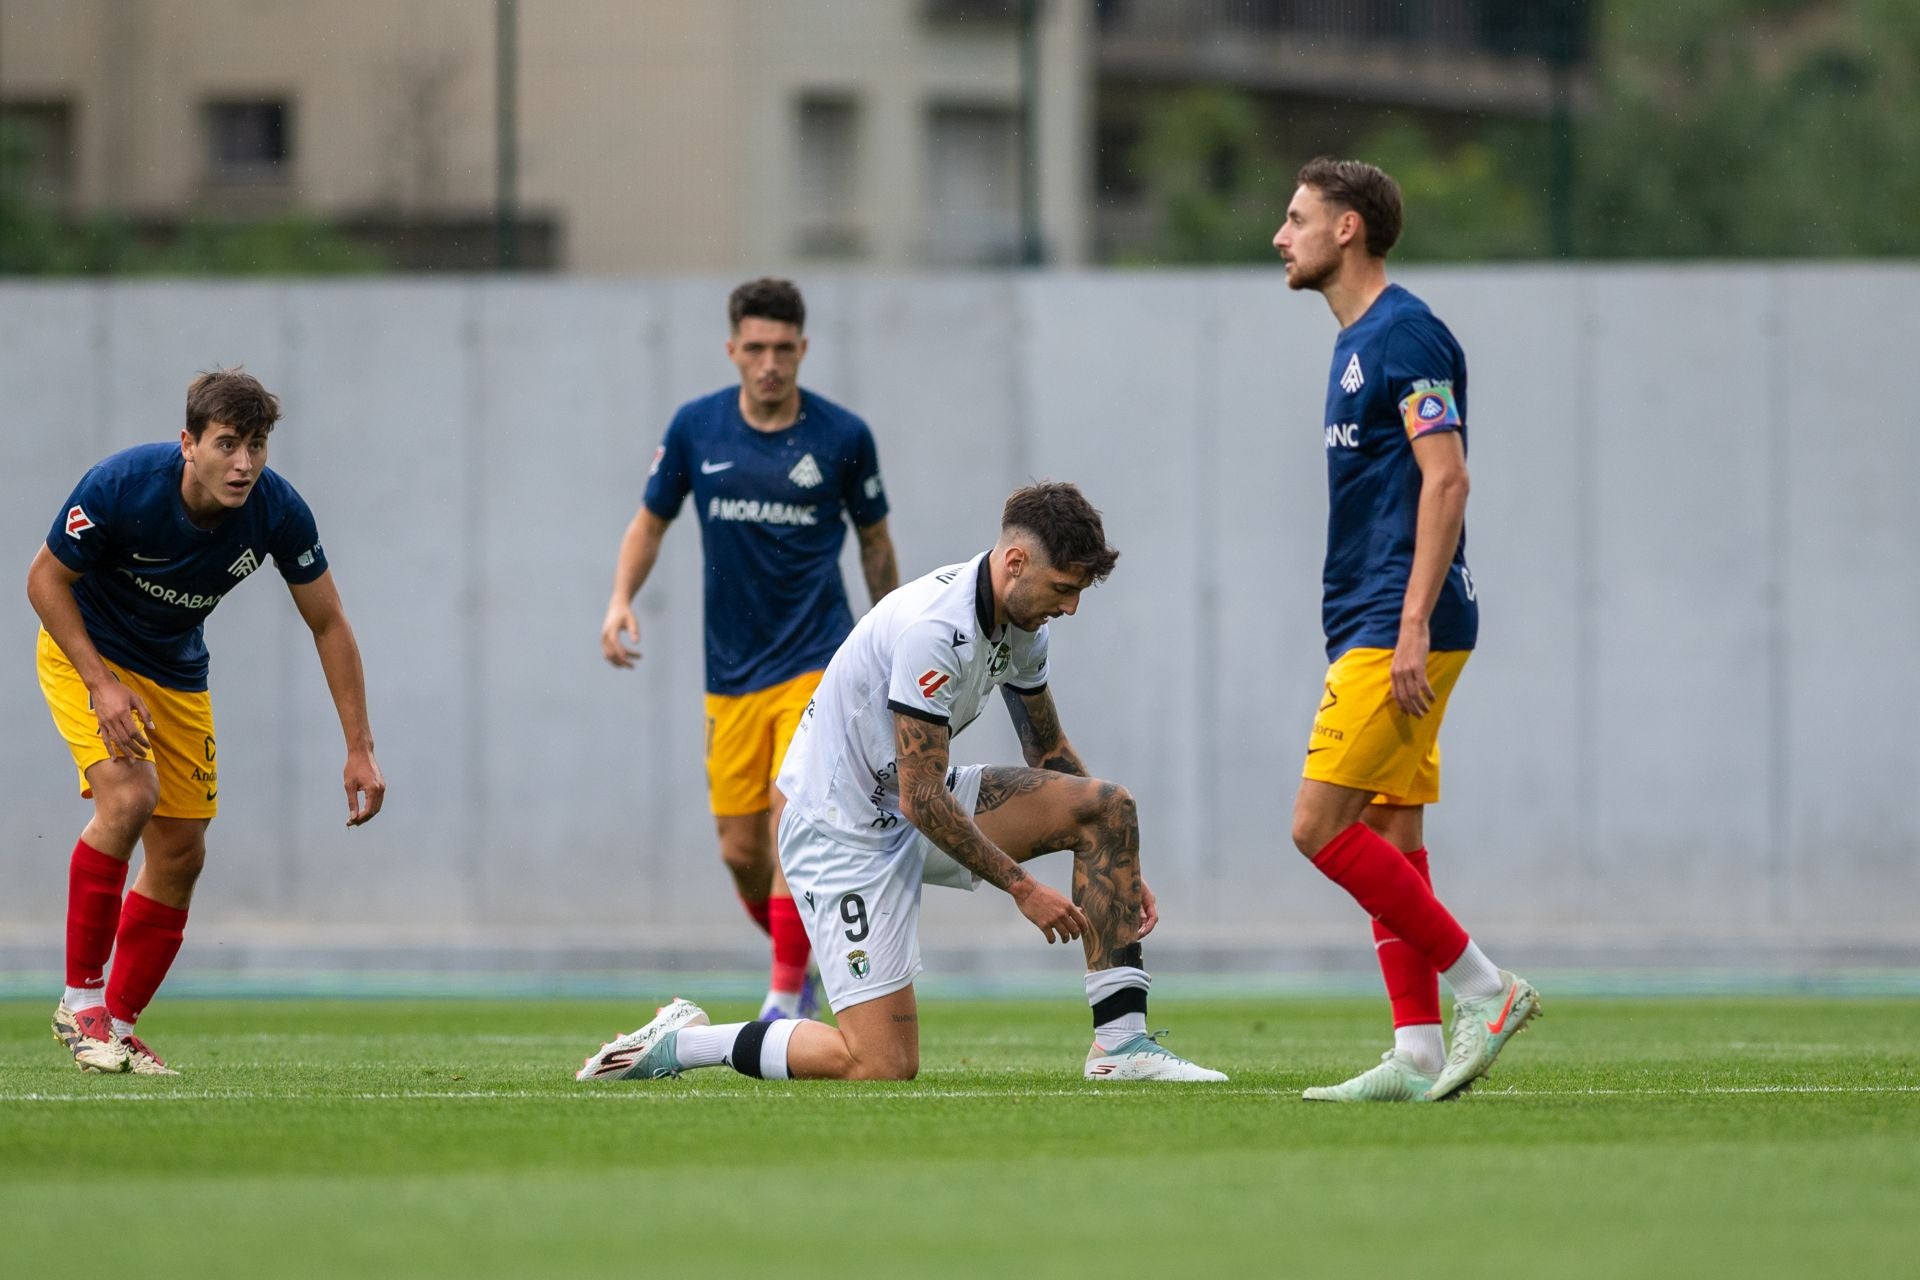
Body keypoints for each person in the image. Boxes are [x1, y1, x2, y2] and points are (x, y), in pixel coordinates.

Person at [578, 483, 1226, 1084]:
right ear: (1016, 562)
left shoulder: (1027, 626)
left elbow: (1047, 750)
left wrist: (1115, 859)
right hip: (839, 832)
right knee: (881, 1066)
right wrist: (1023, 888)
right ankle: (685, 1040)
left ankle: (1121, 1049)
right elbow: (921, 799)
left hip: (915, 800)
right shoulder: (933, 630)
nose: (1072, 606)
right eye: (1063, 587)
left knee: (1108, 809)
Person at [1272, 158, 1540, 1103]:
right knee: (1388, 825)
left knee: (1318, 826)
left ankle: (1486, 989)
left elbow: (1448, 477)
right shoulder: (1355, 344)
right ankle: (1419, 1051)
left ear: (1347, 229)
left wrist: (1413, 619)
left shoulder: (1406, 332)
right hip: (1373, 617)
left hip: (1400, 622)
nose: (1281, 235)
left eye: (1297, 217)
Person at [31, 368, 385, 1075]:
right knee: (130, 795)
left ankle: (120, 1029)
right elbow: (45, 580)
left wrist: (360, 749)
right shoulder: (121, 485)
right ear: (188, 443)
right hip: (86, 655)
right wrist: (100, 685)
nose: (244, 463)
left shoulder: (279, 511)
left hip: (175, 672)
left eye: (256, 445)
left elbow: (329, 621)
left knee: (182, 854)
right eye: (228, 444)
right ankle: (80, 1002)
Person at [600, 278, 899, 1021]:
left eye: (783, 349)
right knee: (741, 852)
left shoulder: (843, 438)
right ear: (733, 350)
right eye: (755, 348)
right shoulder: (697, 429)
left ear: (804, 349)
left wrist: (888, 632)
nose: (769, 362)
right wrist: (619, 601)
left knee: (786, 821)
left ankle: (780, 1002)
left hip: (817, 661)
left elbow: (875, 542)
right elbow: (650, 523)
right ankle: (813, 961)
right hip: (730, 675)